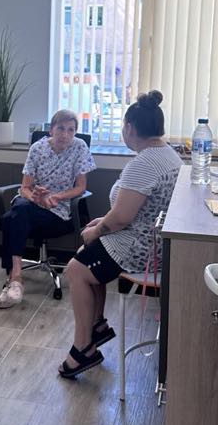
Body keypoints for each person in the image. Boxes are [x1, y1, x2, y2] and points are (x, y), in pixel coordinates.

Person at [58, 90, 181, 378]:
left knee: (75, 270)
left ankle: (83, 348)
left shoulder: (144, 164)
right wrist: (103, 222)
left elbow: (122, 218)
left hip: (139, 247)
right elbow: (137, 210)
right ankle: (97, 324)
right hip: (153, 240)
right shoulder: (168, 154)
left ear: (129, 128)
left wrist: (97, 230)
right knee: (85, 257)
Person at [0, 109, 95, 307]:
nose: (65, 134)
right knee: (21, 209)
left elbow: (80, 188)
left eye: (71, 130)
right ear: (51, 130)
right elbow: (24, 187)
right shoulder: (37, 148)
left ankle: (13, 280)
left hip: (59, 210)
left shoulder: (79, 147)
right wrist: (35, 197)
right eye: (60, 128)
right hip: (31, 203)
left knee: (10, 219)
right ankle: (16, 278)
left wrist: (56, 196)